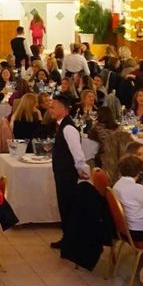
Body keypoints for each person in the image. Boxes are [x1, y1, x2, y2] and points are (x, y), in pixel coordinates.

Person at [49, 93, 88, 250]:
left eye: (53, 107)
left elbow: (77, 153)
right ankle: (67, 238)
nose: (50, 109)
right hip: (62, 173)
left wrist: (81, 169)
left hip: (67, 174)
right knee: (64, 206)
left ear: (63, 108)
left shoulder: (69, 128)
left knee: (67, 206)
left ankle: (70, 240)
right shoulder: (61, 125)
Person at [113, 155, 143, 241]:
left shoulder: (117, 185)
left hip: (125, 229)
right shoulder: (136, 188)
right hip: (139, 230)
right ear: (139, 171)